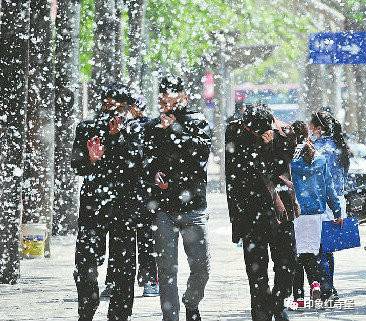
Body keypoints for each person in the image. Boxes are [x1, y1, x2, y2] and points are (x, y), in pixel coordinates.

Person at [71, 84, 143, 321]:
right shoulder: (87, 129)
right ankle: (87, 306)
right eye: (107, 103)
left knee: (124, 264)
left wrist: (118, 138)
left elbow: (139, 164)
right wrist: (91, 160)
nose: (112, 111)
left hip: (125, 205)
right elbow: (77, 164)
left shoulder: (136, 131)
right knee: (86, 258)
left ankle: (120, 314)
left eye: (118, 106)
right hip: (93, 204)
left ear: (128, 108)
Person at [143, 76, 212, 321]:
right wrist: (153, 173)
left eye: (169, 93)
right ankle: (169, 317)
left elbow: (200, 155)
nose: (163, 98)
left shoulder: (197, 122)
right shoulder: (152, 127)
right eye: (161, 93)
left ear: (182, 96)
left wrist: (173, 131)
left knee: (201, 267)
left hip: (194, 207)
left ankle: (192, 302)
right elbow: (145, 160)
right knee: (166, 269)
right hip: (163, 208)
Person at [225, 105, 298, 321]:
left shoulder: (281, 134)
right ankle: (262, 312)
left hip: (280, 211)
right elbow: (237, 175)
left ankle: (277, 303)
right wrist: (260, 146)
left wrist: (274, 139)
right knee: (257, 272)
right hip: (250, 212)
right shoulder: (236, 134)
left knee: (288, 263)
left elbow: (285, 158)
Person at [100, 94, 159, 299]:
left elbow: (146, 157)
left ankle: (149, 280)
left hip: (142, 191)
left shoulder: (148, 127)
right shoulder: (113, 126)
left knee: (144, 237)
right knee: (121, 239)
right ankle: (116, 281)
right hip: (123, 192)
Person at [290, 121, 342, 307]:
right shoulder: (319, 158)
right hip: (317, 214)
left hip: (295, 213)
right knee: (318, 253)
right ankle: (321, 286)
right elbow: (330, 188)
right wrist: (337, 211)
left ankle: (298, 297)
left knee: (296, 255)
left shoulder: (288, 159)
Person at [308, 111, 351, 300]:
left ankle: (326, 288)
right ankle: (330, 287)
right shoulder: (339, 147)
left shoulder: (316, 149)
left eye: (311, 126)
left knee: (320, 249)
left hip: (321, 202)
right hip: (337, 202)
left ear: (319, 128)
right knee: (328, 248)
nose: (309, 129)